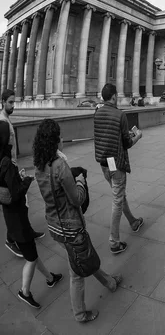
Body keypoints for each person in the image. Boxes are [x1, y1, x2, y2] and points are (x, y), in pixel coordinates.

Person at [34, 119, 121, 322]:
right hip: (71, 228)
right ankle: (80, 313)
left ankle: (109, 282)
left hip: (55, 226)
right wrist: (80, 181)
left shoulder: (39, 166)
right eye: (60, 137)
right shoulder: (59, 166)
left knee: (82, 257)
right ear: (55, 141)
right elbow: (77, 199)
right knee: (77, 272)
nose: (62, 139)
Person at [0, 120, 62, 310]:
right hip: (18, 219)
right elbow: (17, 193)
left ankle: (50, 278)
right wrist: (26, 180)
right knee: (31, 258)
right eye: (8, 135)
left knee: (32, 253)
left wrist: (16, 179)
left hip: (10, 216)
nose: (11, 136)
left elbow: (7, 188)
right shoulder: (6, 163)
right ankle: (24, 292)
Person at [94, 84, 144, 255]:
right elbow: (127, 143)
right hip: (116, 164)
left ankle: (133, 222)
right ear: (114, 97)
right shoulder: (120, 115)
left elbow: (108, 135)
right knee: (117, 200)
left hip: (103, 163)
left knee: (119, 195)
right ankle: (114, 241)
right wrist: (137, 136)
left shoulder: (97, 113)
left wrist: (123, 135)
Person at [1, 89, 44, 258]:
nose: (13, 105)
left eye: (14, 102)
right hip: (6, 171)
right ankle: (11, 240)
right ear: (3, 101)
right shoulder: (2, 122)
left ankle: (28, 231)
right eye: (10, 102)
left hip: (11, 168)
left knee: (22, 204)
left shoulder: (6, 120)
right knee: (12, 204)